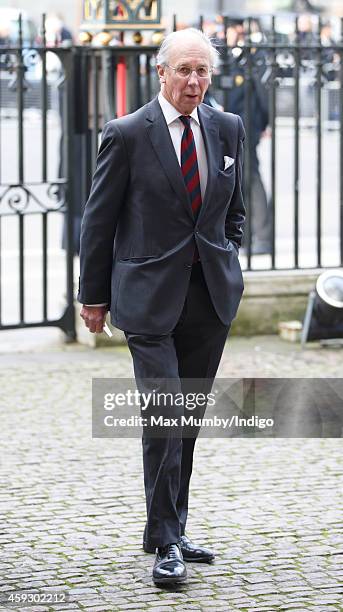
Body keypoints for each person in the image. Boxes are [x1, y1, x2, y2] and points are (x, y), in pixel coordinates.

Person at [78, 28, 245, 585]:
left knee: (188, 419)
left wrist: (226, 256)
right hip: (147, 301)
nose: (194, 81)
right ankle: (167, 543)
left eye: (203, 72)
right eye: (185, 71)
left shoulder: (227, 128)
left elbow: (233, 211)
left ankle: (167, 526)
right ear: (162, 73)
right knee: (165, 417)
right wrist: (93, 295)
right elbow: (98, 221)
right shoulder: (126, 134)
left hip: (209, 299)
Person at [226, 17, 271, 255]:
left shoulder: (251, 58)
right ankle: (243, 235)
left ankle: (262, 237)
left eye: (229, 29)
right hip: (226, 128)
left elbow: (263, 97)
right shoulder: (228, 57)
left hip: (247, 127)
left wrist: (264, 123)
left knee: (250, 179)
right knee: (236, 182)